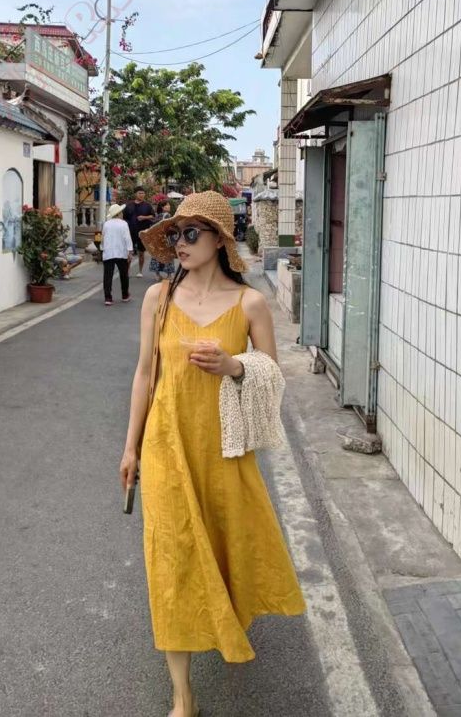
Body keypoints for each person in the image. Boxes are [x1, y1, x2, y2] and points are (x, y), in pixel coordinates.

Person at [119, 191, 305, 716]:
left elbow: (272, 375)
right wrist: (130, 447)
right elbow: (144, 374)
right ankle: (182, 695)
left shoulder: (249, 304)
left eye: (190, 233)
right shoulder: (158, 298)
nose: (179, 242)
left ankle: (225, 620)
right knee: (170, 558)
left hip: (224, 450)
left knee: (227, 546)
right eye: (174, 234)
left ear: (219, 240)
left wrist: (233, 366)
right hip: (166, 446)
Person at [102, 203, 133, 306]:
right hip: (121, 252)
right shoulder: (124, 224)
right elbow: (127, 238)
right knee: (124, 275)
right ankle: (125, 295)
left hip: (108, 252)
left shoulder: (106, 224)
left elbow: (103, 237)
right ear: (119, 213)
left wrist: (103, 248)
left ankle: (108, 298)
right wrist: (130, 251)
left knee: (108, 276)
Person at [123, 187, 155, 278]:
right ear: (135, 194)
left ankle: (140, 271)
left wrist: (144, 217)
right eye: (139, 193)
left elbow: (153, 216)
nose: (141, 195)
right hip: (130, 232)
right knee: (129, 252)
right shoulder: (129, 205)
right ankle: (127, 271)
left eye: (143, 193)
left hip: (142, 232)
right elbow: (124, 218)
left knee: (141, 252)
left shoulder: (147, 205)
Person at [148, 200, 176, 282]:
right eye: (167, 205)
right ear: (163, 207)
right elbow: (170, 227)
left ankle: (157, 275)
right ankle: (169, 275)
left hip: (157, 239)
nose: (169, 206)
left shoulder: (157, 216)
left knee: (157, 256)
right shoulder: (168, 215)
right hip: (166, 239)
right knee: (168, 256)